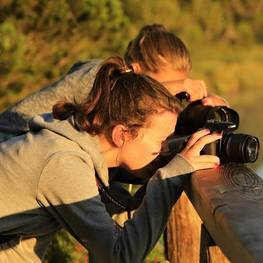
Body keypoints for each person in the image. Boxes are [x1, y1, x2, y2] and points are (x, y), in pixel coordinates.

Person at [0, 56, 221, 262]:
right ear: (121, 135)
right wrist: (169, 179)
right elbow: (120, 256)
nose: (163, 150)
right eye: (160, 140)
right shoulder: (62, 163)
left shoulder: (72, 136)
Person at [0, 24, 228, 143]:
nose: (170, 97)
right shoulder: (101, 75)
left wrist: (207, 107)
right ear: (135, 69)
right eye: (166, 86)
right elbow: (128, 98)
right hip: (10, 143)